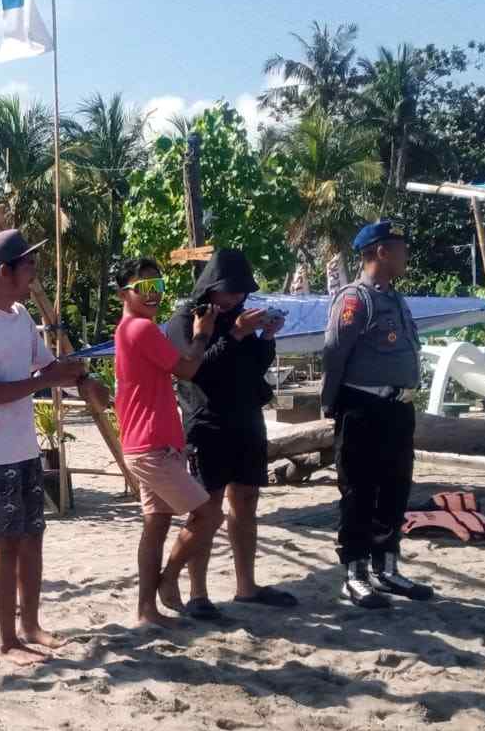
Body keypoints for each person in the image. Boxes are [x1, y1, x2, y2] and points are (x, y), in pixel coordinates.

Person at [0, 229, 89, 666]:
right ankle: (6, 641)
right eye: (28, 264)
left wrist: (80, 377)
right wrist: (44, 380)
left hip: (23, 446)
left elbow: (47, 366)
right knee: (6, 543)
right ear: (4, 271)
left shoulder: (21, 316)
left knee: (32, 539)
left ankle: (30, 626)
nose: (34, 271)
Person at [163, 249, 297, 616]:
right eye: (231, 291)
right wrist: (236, 334)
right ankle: (198, 593)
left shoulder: (241, 315)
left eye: (242, 292)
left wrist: (266, 337)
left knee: (247, 500)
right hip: (207, 422)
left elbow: (254, 367)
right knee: (207, 508)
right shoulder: (186, 318)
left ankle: (246, 587)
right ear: (212, 286)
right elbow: (196, 371)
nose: (237, 298)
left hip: (247, 417)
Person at [321, 220, 435, 608]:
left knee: (395, 487)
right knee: (358, 491)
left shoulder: (395, 299)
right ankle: (355, 573)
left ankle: (386, 568)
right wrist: (331, 402)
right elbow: (334, 353)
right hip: (362, 408)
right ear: (381, 252)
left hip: (397, 409)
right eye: (400, 248)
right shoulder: (356, 299)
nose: (406, 255)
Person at [103, 257, 221, 629]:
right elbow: (187, 368)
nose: (154, 294)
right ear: (124, 294)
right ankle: (169, 580)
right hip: (152, 446)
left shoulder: (127, 329)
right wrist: (202, 332)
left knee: (155, 526)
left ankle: (146, 610)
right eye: (145, 287)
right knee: (208, 515)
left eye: (158, 285)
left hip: (146, 444)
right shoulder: (141, 328)